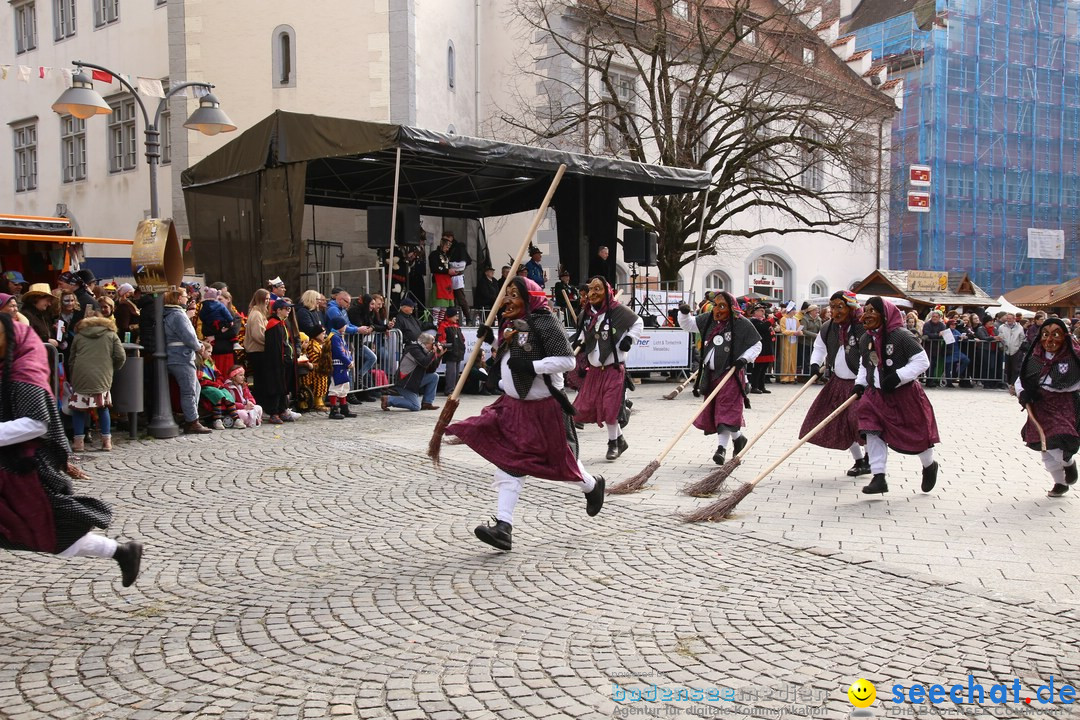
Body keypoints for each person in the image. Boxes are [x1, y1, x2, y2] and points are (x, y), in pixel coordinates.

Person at [446, 276, 605, 552]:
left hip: (544, 410)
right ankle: (503, 527)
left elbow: (567, 361)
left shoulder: (545, 321)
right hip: (513, 407)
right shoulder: (511, 324)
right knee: (509, 462)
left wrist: (532, 366)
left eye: (514, 294)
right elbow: (506, 356)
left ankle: (592, 486)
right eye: (506, 294)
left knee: (560, 463)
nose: (507, 299)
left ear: (530, 297)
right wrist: (488, 340)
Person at [0, 313, 143, 586]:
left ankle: (121, 551)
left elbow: (37, 424)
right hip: (10, 469)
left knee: (48, 531)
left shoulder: (23, 373)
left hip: (24, 471)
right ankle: (121, 552)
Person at [854, 297, 940, 495]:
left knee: (916, 436)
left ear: (884, 314)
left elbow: (922, 361)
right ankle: (878, 476)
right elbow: (864, 364)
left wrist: (898, 377)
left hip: (904, 394)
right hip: (875, 396)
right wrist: (859, 384)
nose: (866, 315)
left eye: (871, 311)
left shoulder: (902, 336)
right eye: (864, 310)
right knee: (871, 430)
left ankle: (929, 465)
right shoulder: (866, 338)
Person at [678, 291, 761, 465]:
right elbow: (689, 325)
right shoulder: (709, 319)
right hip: (711, 375)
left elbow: (756, 344)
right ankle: (738, 438)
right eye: (715, 305)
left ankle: (721, 449)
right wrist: (684, 313)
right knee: (716, 411)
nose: (717, 309)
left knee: (725, 411)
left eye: (722, 306)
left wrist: (744, 359)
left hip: (731, 374)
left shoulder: (741, 324)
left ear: (731, 307)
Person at [572, 276, 642, 460]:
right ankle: (620, 440)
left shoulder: (618, 311)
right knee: (590, 406)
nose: (593, 293)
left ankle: (613, 444)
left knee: (610, 407)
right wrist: (579, 343)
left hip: (613, 368)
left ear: (607, 291)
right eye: (590, 289)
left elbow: (638, 322)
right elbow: (586, 336)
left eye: (598, 289)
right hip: (594, 370)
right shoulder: (586, 314)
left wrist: (629, 339)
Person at [802, 290, 868, 476]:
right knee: (840, 422)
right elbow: (819, 347)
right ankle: (859, 460)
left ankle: (871, 458)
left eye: (839, 307)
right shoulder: (829, 327)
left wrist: (863, 381)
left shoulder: (863, 327)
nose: (834, 311)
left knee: (860, 421)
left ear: (851, 307)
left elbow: (866, 356)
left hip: (860, 384)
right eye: (832, 307)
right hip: (838, 382)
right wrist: (815, 364)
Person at [1015, 318, 1079, 497]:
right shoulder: (1035, 357)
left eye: (1055, 335)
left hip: (1064, 404)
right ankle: (1060, 483)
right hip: (1039, 405)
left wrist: (1064, 386)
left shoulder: (1073, 357)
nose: (1050, 340)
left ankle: (1068, 462)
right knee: (1045, 445)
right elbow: (1021, 379)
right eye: (1045, 335)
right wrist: (1023, 394)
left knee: (1059, 437)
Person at [67, 314, 126, 452]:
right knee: (103, 407)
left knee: (78, 409)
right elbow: (120, 356)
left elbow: (72, 358)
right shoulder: (111, 335)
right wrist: (112, 367)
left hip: (81, 374)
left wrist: (73, 374)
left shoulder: (79, 335)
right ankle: (106, 442)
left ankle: (78, 443)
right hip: (102, 374)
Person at [163, 288, 212, 435]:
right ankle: (192, 422)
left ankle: (192, 418)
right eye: (185, 296)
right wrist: (199, 347)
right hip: (181, 356)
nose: (187, 298)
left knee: (194, 387)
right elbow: (188, 336)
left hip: (174, 355)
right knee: (189, 390)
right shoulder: (178, 315)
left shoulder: (168, 314)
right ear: (178, 299)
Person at [382, 332, 443, 411]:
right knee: (416, 406)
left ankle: (427, 403)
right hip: (405, 383)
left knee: (434, 376)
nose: (433, 346)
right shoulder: (414, 349)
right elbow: (424, 363)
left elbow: (431, 369)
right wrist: (433, 353)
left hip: (414, 381)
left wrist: (439, 355)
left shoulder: (423, 350)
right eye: (432, 344)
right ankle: (388, 400)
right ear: (426, 343)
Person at [196, 342, 245, 430]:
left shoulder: (210, 363)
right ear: (202, 351)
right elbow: (200, 380)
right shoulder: (199, 364)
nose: (210, 354)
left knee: (227, 394)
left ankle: (236, 418)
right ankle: (217, 419)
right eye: (209, 352)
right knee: (217, 394)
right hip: (205, 386)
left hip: (215, 385)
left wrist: (219, 383)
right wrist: (216, 385)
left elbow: (218, 375)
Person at [262, 299, 295, 424]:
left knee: (283, 387)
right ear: (278, 310)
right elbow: (275, 346)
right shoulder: (274, 324)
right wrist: (281, 360)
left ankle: (282, 410)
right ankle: (274, 412)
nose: (288, 311)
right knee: (276, 386)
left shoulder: (282, 323)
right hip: (276, 362)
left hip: (284, 361)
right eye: (286, 309)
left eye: (289, 309)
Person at [198, 287, 238, 377]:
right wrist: (220, 331)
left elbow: (233, 332)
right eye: (217, 299)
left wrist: (215, 336)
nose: (218, 301)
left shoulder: (233, 315)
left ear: (228, 300)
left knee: (227, 376)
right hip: (214, 352)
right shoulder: (208, 313)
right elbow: (205, 331)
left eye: (220, 299)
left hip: (226, 351)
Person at [326, 315, 355, 420]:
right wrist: (348, 362)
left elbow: (345, 350)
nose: (345, 327)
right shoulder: (334, 337)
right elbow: (338, 352)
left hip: (342, 365)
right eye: (344, 325)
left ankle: (344, 408)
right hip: (337, 365)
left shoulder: (339, 336)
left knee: (344, 386)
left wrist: (350, 359)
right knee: (336, 386)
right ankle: (333, 409)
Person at [437, 307, 466, 395]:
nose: (456, 318)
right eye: (455, 316)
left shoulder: (456, 326)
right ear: (449, 316)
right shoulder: (443, 325)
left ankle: (454, 390)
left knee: (456, 373)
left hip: (458, 352)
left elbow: (462, 338)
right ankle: (449, 390)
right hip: (450, 352)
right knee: (451, 373)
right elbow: (442, 339)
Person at [429, 234, 457, 327]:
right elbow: (434, 268)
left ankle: (440, 323)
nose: (447, 249)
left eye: (449, 247)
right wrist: (447, 271)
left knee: (444, 305)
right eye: (446, 246)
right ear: (442, 244)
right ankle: (434, 322)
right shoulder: (434, 254)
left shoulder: (446, 256)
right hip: (439, 281)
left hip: (446, 281)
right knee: (438, 303)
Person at [748, 303, 775, 394]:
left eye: (763, 310)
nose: (763, 311)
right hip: (760, 346)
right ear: (755, 312)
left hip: (766, 346)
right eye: (760, 310)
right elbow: (762, 328)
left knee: (764, 367)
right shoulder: (753, 321)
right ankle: (754, 386)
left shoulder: (763, 320)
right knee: (758, 368)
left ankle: (761, 386)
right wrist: (774, 318)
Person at [447, 231, 473, 320]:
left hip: (457, 277)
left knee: (461, 299)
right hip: (448, 278)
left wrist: (451, 265)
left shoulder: (459, 248)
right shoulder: (448, 249)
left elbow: (462, 264)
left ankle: (468, 318)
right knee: (451, 300)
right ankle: (452, 318)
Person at [778, 301, 800, 382]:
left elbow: (798, 329)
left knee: (793, 359)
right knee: (786, 359)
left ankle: (792, 377)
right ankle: (784, 377)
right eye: (794, 310)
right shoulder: (783, 319)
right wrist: (794, 332)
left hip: (794, 342)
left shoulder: (796, 320)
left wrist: (799, 332)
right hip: (786, 341)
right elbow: (783, 330)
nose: (795, 311)